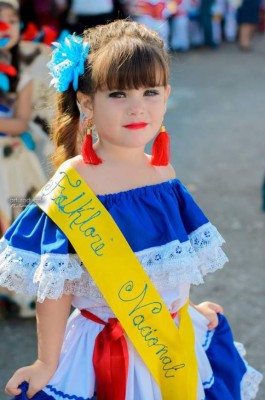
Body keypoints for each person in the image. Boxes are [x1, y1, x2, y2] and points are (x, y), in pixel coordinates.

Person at [1, 19, 263, 400]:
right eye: (119, 94)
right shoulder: (73, 184)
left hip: (172, 337)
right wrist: (46, 361)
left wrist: (184, 307)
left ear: (167, 95)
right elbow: (54, 289)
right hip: (102, 348)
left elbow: (165, 261)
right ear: (87, 102)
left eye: (151, 91)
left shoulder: (162, 173)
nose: (138, 107)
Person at [0, 0, 49, 318]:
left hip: (12, 159)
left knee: (17, 217)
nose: (6, 29)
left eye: (12, 21)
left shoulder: (25, 72)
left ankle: (14, 290)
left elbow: (20, 122)